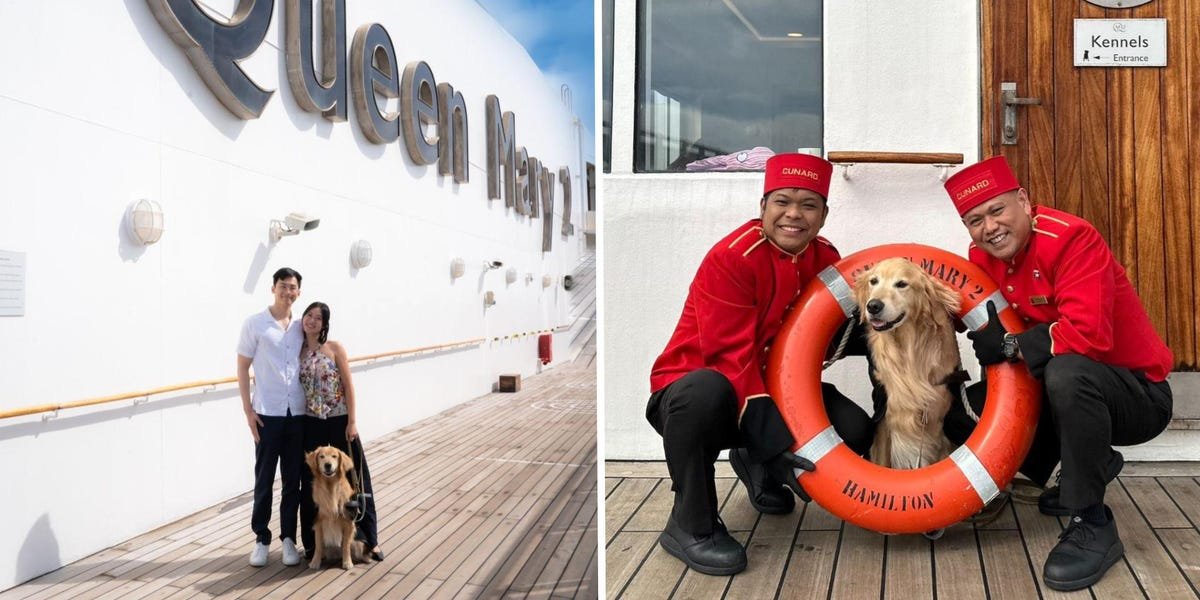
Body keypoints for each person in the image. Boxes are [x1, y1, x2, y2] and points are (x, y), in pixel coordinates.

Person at [941, 156, 1173, 592]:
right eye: (975, 220)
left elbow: (1088, 337)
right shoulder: (981, 256)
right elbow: (961, 312)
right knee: (959, 410)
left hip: (1137, 395)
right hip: (1063, 391)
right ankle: (1092, 461)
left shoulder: (1071, 239)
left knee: (1067, 371)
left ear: (1024, 201)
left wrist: (1009, 346)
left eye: (997, 211)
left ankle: (1092, 521)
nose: (989, 227)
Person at [646, 153, 874, 575]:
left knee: (855, 428)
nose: (794, 214)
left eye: (808, 205)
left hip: (772, 390)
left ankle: (757, 464)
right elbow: (730, 360)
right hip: (700, 391)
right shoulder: (733, 257)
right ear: (763, 206)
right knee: (705, 392)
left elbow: (840, 332)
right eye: (782, 201)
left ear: (824, 215)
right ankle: (689, 523)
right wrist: (778, 443)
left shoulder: (825, 257)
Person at [297, 301, 383, 562]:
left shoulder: (335, 349)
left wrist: (352, 421)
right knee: (309, 483)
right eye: (308, 315)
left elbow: (348, 385)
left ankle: (370, 541)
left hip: (339, 420)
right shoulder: (296, 351)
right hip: (311, 423)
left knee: (357, 478)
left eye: (318, 318)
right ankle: (313, 545)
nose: (312, 321)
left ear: (324, 324)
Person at [237, 267, 307, 567]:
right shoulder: (255, 324)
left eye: (292, 287)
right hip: (267, 414)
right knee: (264, 480)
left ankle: (289, 539)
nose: (287, 291)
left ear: (298, 292)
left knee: (293, 480)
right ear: (273, 288)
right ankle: (261, 539)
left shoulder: (303, 325)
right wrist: (248, 411)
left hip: (298, 415)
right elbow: (242, 368)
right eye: (282, 286)